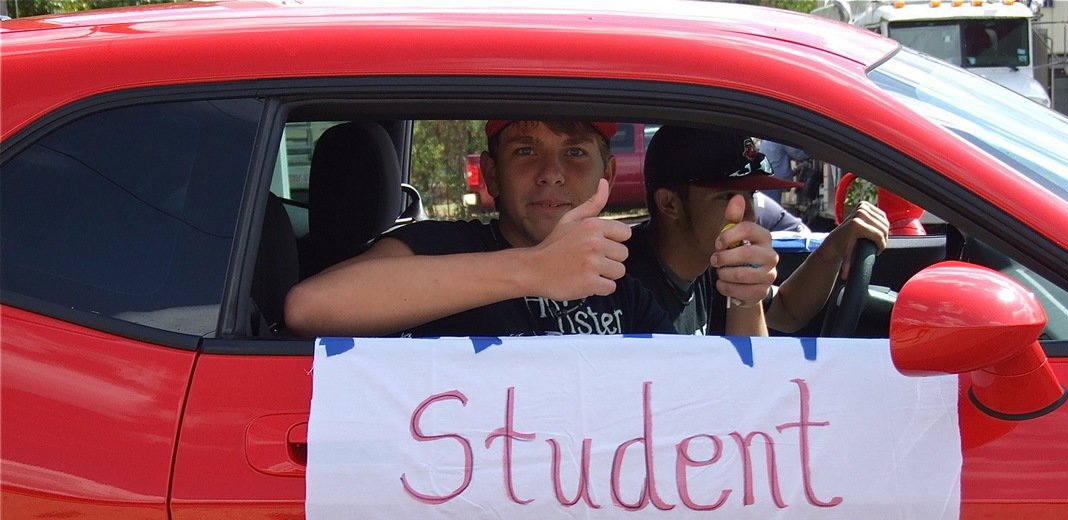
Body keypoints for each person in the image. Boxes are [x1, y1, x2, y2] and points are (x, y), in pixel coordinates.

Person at [284, 119, 673, 337]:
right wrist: (533, 269)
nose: (552, 174)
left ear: (606, 175)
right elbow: (309, 307)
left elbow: (695, 401)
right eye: (525, 151)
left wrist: (737, 300)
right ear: (492, 174)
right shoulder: (437, 246)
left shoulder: (621, 288)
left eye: (575, 153)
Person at [624, 126, 890, 337]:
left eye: (750, 195)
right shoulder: (624, 284)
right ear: (669, 204)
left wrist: (832, 248)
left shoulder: (710, 259)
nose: (749, 214)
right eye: (727, 196)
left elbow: (787, 311)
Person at [757, 139, 808, 204]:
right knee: (773, 206)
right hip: (775, 179)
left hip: (766, 177)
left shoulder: (767, 139)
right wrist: (812, 151)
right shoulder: (781, 138)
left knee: (766, 204)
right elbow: (797, 154)